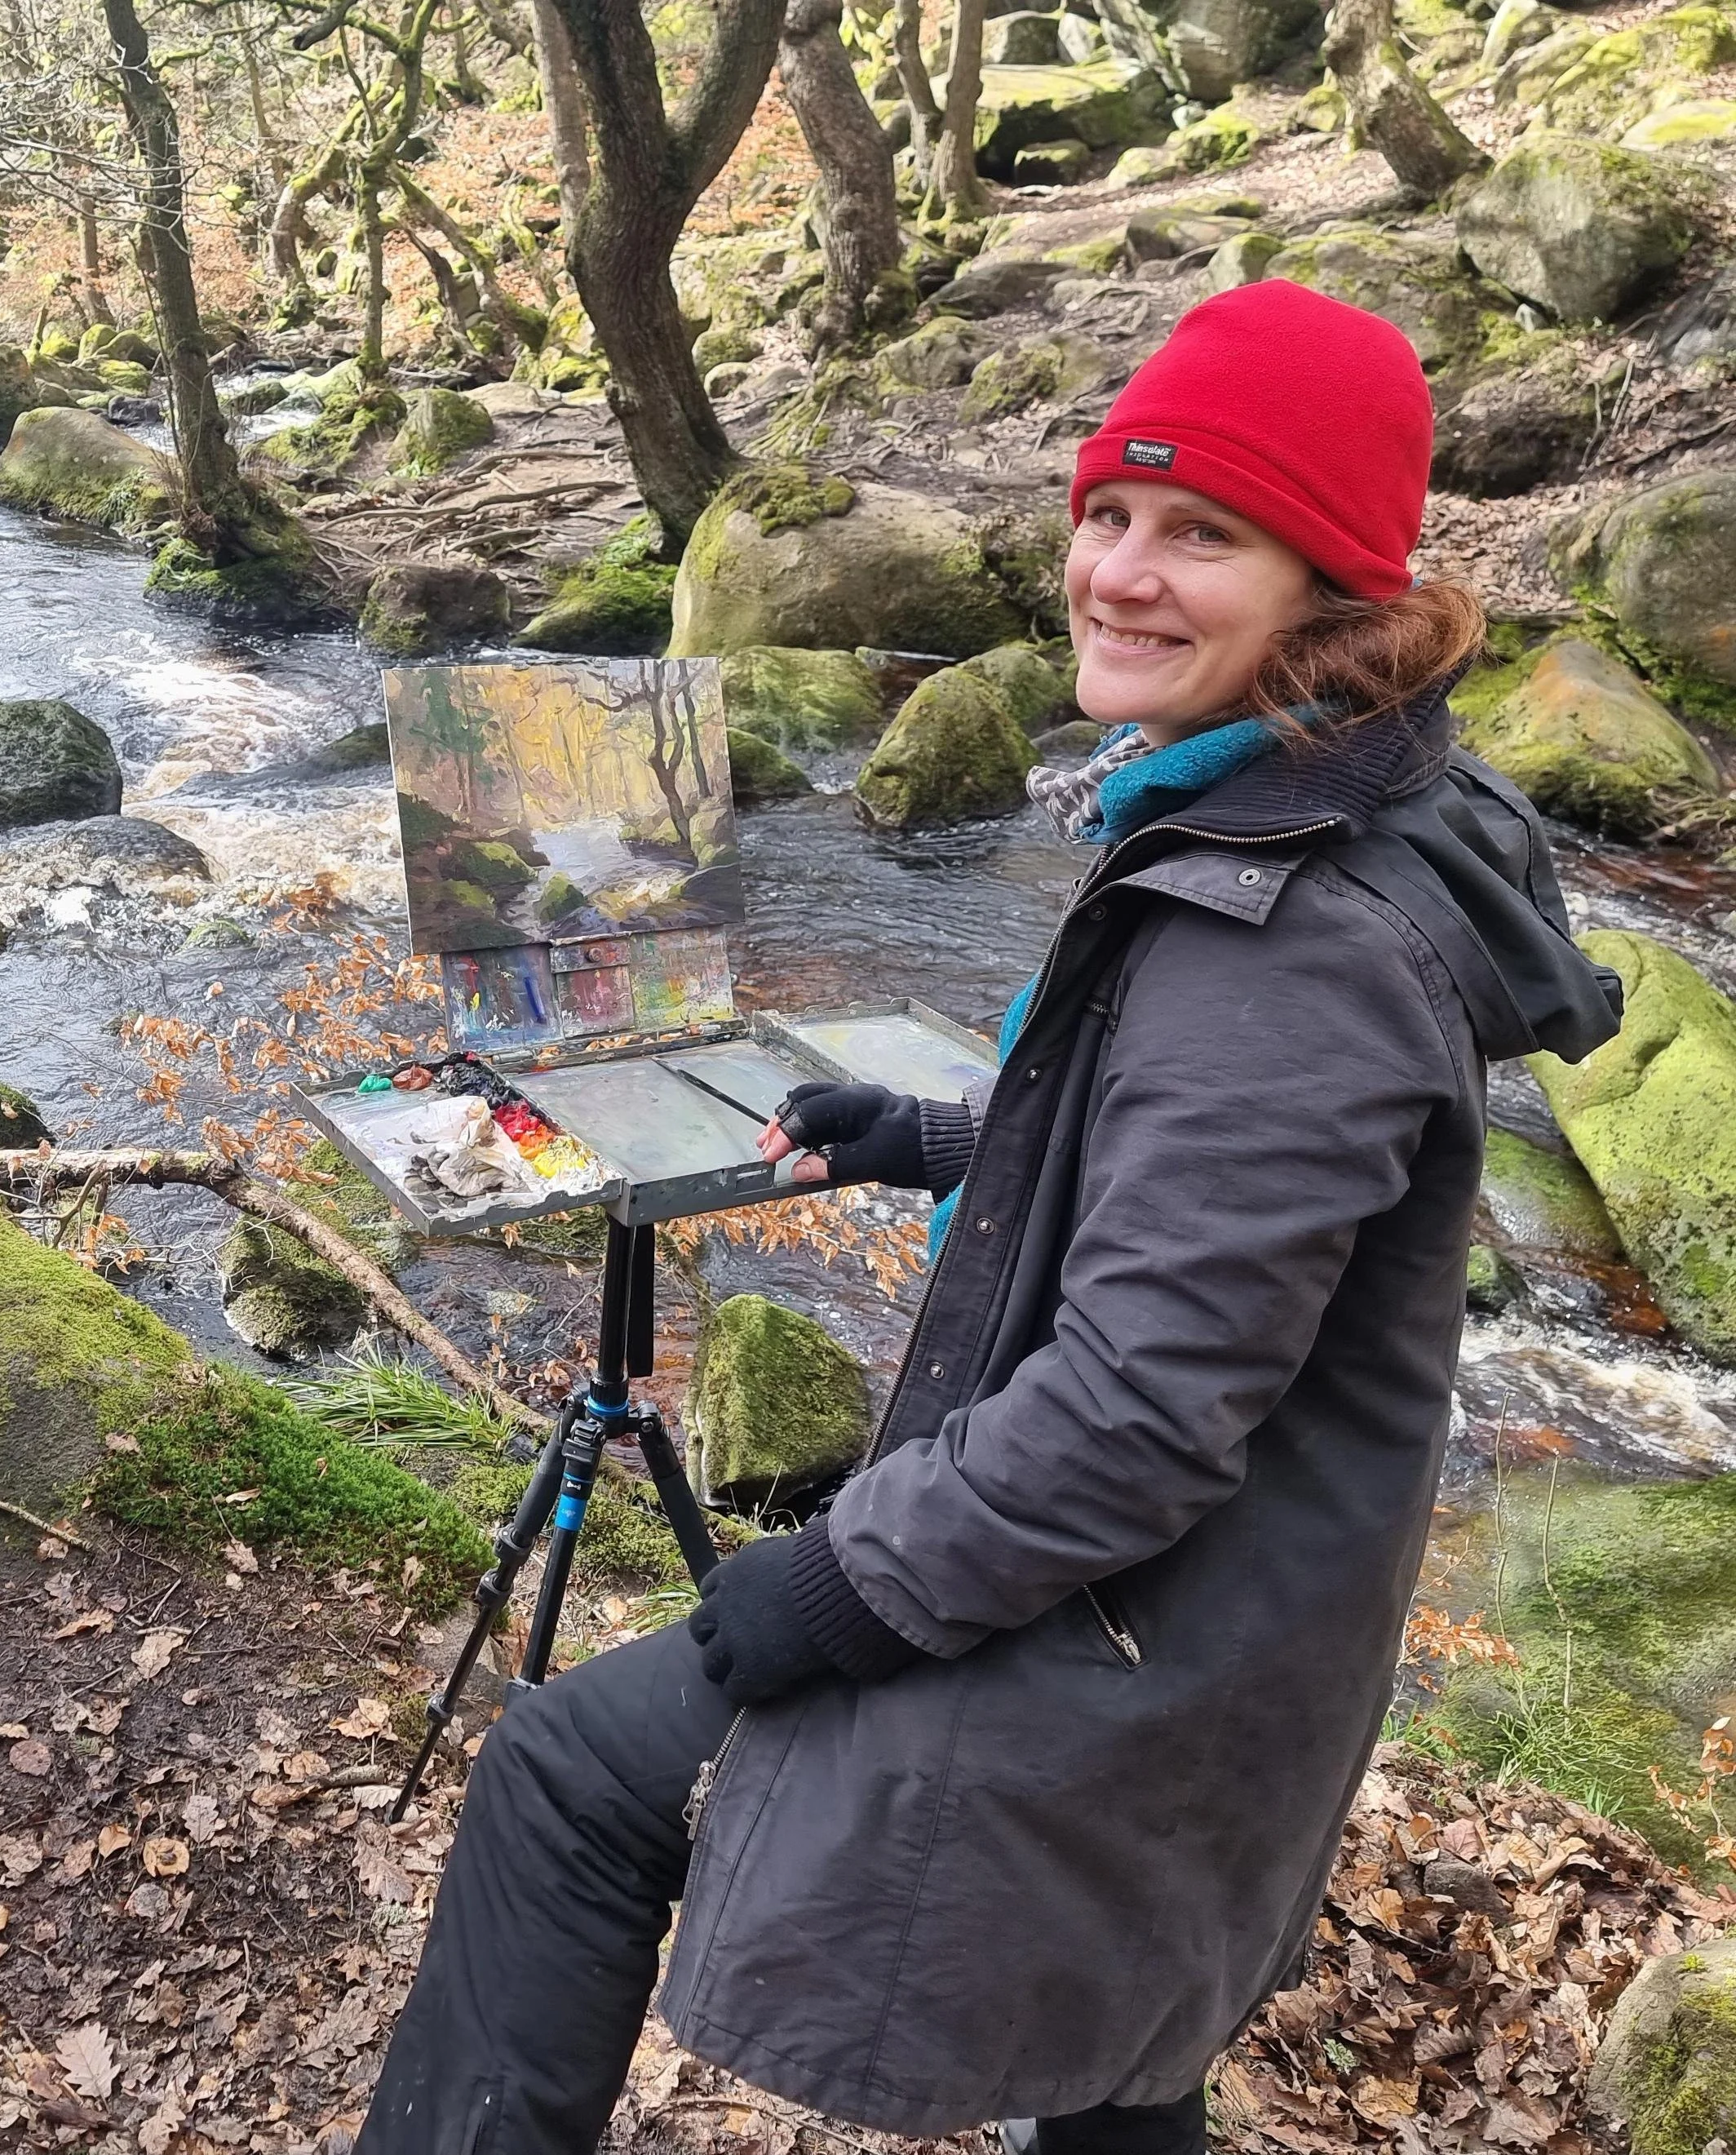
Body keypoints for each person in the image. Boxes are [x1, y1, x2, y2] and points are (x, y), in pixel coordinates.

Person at [357, 278, 1621, 2155]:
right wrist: (936, 1135)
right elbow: (1194, 1167)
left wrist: (827, 1588)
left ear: (1330, 589)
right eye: (1108, 511)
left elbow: (1132, 1415)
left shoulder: (1287, 937)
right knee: (1118, 2058)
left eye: (1203, 535)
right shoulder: (1312, 804)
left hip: (1137, 1649)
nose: (1119, 572)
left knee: (567, 1775)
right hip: (1232, 1635)